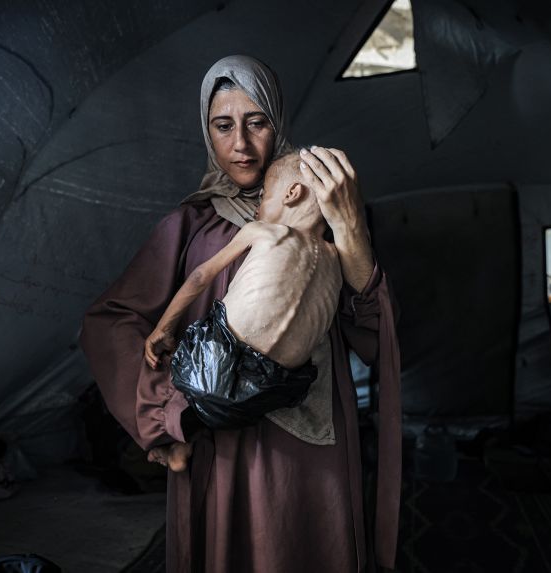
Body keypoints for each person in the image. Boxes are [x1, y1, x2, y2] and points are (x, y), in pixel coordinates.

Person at [80, 55, 401, 573]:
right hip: (218, 445)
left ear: (279, 121)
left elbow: (375, 338)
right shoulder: (192, 226)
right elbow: (110, 321)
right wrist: (163, 415)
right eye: (223, 125)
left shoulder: (324, 217)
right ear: (207, 132)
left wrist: (351, 229)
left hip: (309, 445)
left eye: (257, 122)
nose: (241, 145)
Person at [143, 149, 342, 439]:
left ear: (292, 194)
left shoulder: (264, 231)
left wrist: (164, 327)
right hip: (275, 389)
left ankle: (178, 438)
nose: (257, 208)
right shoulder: (335, 258)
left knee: (185, 360)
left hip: (214, 366)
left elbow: (200, 276)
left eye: (264, 197)